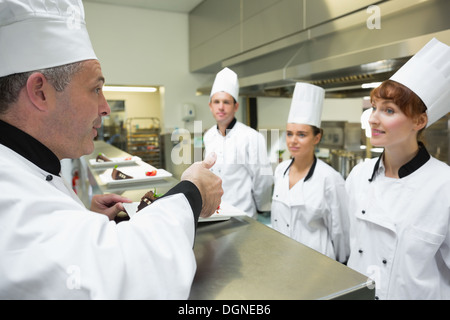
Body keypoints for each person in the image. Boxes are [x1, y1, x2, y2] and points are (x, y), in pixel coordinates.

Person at [0, 0, 222, 299]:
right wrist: (192, 192)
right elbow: (129, 277)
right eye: (95, 88)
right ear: (40, 92)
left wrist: (86, 223)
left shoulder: (24, 165)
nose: (105, 107)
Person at [346, 38, 450, 300]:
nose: (373, 118)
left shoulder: (444, 185)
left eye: (388, 110)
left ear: (419, 120)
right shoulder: (359, 175)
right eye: (374, 108)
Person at [271, 83, 349, 262]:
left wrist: (340, 269)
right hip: (281, 260)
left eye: (301, 134)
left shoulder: (329, 179)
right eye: (289, 134)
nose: (293, 141)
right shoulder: (281, 170)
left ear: (317, 137)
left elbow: (341, 233)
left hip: (317, 266)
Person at [203, 67, 273, 218]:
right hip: (214, 214)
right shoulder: (208, 136)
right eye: (216, 102)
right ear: (210, 106)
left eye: (226, 102)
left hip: (242, 215)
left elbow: (263, 178)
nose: (221, 107)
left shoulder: (251, 137)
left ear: (235, 106)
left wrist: (262, 207)